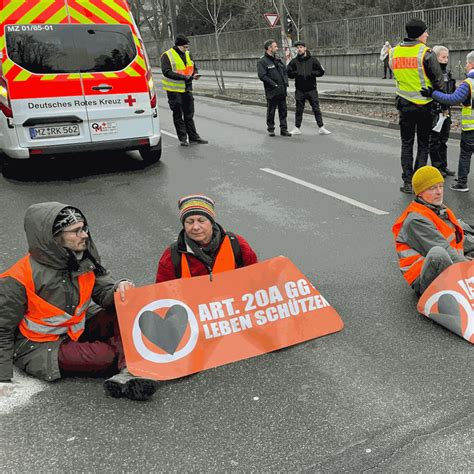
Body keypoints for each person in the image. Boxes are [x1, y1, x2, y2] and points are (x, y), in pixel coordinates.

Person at [0, 203, 159, 401]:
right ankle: (130, 360)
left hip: (76, 328)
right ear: (55, 237)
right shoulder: (17, 278)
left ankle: (129, 370)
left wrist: (119, 288)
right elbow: (3, 329)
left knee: (127, 310)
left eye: (84, 228)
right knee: (107, 356)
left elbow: (103, 291)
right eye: (75, 231)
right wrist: (3, 378)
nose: (84, 235)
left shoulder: (83, 258)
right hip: (39, 347)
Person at [392, 166, 468, 296]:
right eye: (432, 188)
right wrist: (468, 270)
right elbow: (446, 251)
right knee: (438, 253)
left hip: (448, 268)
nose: (439, 192)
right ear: (420, 193)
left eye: (440, 186)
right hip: (424, 279)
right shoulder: (415, 220)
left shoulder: (437, 209)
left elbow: (459, 239)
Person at [389, 18, 444, 194]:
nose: (427, 34)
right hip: (424, 106)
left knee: (406, 143)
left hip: (404, 104)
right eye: (426, 31)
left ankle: (406, 182)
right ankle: (416, 183)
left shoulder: (394, 52)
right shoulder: (426, 53)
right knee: (423, 144)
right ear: (420, 34)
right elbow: (439, 83)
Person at [156, 195, 258, 282]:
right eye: (190, 222)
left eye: (201, 220)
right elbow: (164, 295)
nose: (196, 227)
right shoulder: (172, 256)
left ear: (211, 222)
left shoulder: (236, 244)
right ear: (184, 225)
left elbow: (256, 278)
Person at [421, 50, 474, 192]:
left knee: (465, 154)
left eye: (467, 63)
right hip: (444, 115)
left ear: (472, 64)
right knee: (438, 141)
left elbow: (452, 99)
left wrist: (432, 93)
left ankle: (462, 184)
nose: (466, 66)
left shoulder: (469, 83)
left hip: (471, 128)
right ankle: (441, 167)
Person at [161, 34, 208, 147]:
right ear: (178, 46)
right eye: (185, 47)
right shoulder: (167, 55)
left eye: (187, 47)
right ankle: (183, 138)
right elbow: (166, 72)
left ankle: (193, 137)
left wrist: (195, 73)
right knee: (178, 115)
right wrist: (183, 77)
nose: (187, 49)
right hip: (174, 91)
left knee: (189, 115)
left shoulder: (187, 54)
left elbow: (192, 66)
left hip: (187, 89)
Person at [287, 40, 331, 136]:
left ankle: (321, 127)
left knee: (316, 108)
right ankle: (297, 128)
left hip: (312, 89)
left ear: (305, 48)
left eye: (301, 47)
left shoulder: (313, 60)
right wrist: (296, 74)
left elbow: (321, 71)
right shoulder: (294, 62)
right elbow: (289, 73)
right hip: (299, 90)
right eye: (297, 48)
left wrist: (312, 73)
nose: (299, 49)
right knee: (299, 109)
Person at [428, 45, 456, 177]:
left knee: (443, 140)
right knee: (434, 141)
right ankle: (437, 167)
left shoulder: (448, 73)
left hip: (446, 110)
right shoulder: (432, 72)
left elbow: (452, 90)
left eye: (447, 57)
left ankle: (443, 166)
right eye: (443, 57)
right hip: (436, 111)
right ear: (436, 57)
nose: (446, 60)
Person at [257, 39, 292, 137]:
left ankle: (284, 129)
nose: (277, 48)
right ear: (269, 48)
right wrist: (274, 85)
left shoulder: (278, 59)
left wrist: (285, 83)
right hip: (272, 90)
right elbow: (262, 76)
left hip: (281, 89)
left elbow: (284, 71)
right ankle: (271, 129)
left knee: (283, 110)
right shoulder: (262, 61)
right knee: (271, 110)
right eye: (275, 46)